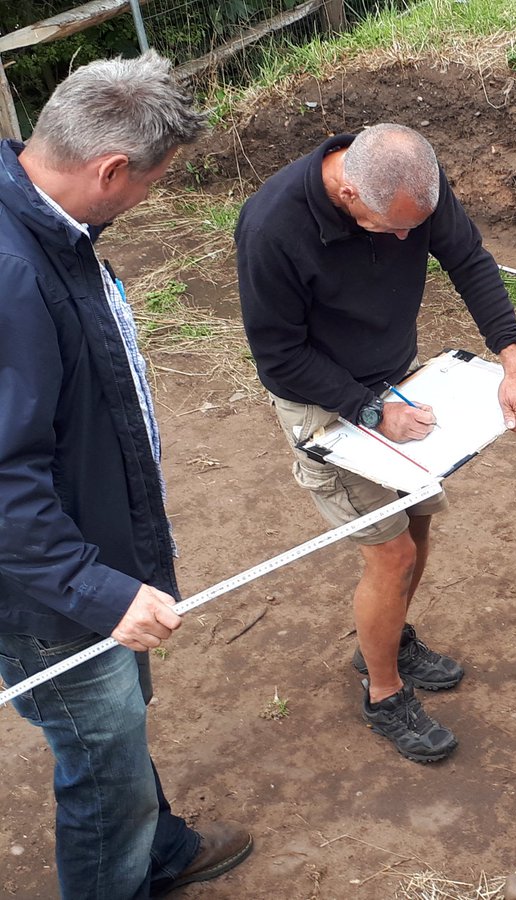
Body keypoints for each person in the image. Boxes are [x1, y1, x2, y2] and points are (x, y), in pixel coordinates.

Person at [0, 52, 253, 896]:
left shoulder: (51, 228)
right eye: (154, 180)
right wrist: (96, 590)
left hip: (87, 548)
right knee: (100, 751)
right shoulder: (12, 273)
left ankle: (158, 845)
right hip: (47, 585)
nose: (151, 196)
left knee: (116, 724)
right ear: (109, 169)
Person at [235, 123, 516, 763]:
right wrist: (370, 410)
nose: (410, 240)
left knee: (418, 523)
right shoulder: (273, 228)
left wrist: (513, 366)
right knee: (392, 555)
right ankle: (383, 693)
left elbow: (469, 260)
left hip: (395, 382)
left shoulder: (412, 185)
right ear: (348, 193)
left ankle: (386, 638)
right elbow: (278, 357)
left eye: (418, 225)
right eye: (394, 229)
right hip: (325, 408)